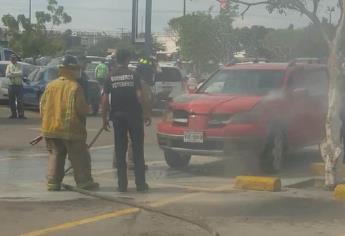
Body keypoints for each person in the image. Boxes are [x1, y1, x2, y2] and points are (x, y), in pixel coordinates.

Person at [40, 55, 99, 191]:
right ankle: (84, 182)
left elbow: (42, 107)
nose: (78, 71)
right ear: (70, 69)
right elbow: (82, 109)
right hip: (71, 130)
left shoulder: (50, 86)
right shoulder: (75, 87)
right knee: (79, 156)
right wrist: (88, 108)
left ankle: (53, 183)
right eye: (75, 69)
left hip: (51, 129)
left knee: (55, 154)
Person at [102, 49, 149, 192]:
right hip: (134, 116)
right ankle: (140, 184)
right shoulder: (134, 75)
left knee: (120, 150)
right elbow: (140, 96)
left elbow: (104, 99)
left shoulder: (110, 76)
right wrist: (146, 113)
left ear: (116, 60)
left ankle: (122, 185)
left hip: (118, 117)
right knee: (138, 150)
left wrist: (104, 118)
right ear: (128, 59)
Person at [6, 54, 25, 119]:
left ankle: (21, 115)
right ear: (10, 59)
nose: (12, 60)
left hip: (19, 85)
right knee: (11, 101)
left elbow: (21, 73)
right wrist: (16, 74)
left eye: (14, 58)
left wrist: (13, 73)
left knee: (20, 100)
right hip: (11, 85)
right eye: (11, 58)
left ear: (16, 59)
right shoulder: (9, 66)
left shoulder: (20, 65)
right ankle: (13, 114)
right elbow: (7, 75)